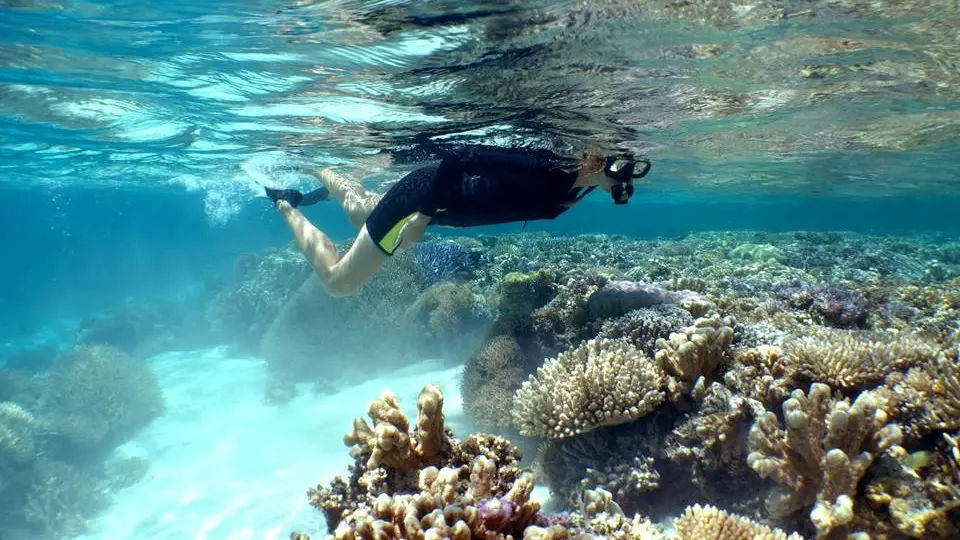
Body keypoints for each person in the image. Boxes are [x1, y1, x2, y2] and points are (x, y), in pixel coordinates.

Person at [263, 144, 651, 297]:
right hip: (420, 201)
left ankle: (324, 169)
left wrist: (606, 183)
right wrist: (423, 218)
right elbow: (459, 157)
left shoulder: (577, 187)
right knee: (340, 283)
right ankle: (284, 202)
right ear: (596, 159)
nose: (625, 180)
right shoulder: (546, 167)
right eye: (622, 170)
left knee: (359, 211)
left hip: (435, 208)